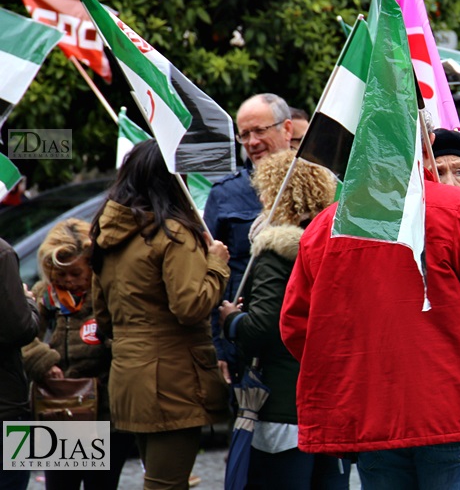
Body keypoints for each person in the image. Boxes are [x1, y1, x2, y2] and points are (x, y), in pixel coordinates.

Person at [280, 130, 460, 488]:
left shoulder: (324, 227)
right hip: (450, 409)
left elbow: (296, 329)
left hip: (372, 417)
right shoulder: (456, 208)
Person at [90, 139, 231, 489]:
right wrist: (217, 266)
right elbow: (190, 305)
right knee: (167, 484)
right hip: (173, 379)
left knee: (158, 479)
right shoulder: (173, 233)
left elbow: (102, 316)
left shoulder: (108, 235)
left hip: (129, 375)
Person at [216, 150, 349, 489]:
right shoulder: (335, 247)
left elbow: (266, 329)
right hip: (330, 402)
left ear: (278, 195)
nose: (260, 198)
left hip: (284, 405)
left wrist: (232, 319)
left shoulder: (278, 252)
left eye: (264, 189)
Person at [22, 219, 134, 490]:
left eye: (75, 273)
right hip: (59, 410)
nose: (68, 281)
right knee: (60, 484)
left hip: (106, 413)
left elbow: (129, 340)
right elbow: (21, 337)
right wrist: (43, 362)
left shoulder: (108, 291)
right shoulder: (45, 295)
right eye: (61, 274)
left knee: (102, 485)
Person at [205, 93, 293, 381]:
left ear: (287, 129)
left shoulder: (317, 184)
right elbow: (211, 275)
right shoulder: (225, 194)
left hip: (303, 338)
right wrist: (220, 347)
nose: (252, 142)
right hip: (245, 342)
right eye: (244, 135)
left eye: (260, 131)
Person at [1, 237, 41, 490]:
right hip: (6, 407)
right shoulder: (2, 253)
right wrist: (28, 302)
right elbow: (19, 328)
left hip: (82, 409)